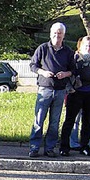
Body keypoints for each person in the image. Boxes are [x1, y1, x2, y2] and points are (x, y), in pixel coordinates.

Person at [28, 22, 75, 158]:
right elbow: (33, 65)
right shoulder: (42, 48)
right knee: (39, 119)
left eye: (60, 33)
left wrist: (65, 74)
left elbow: (73, 70)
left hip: (60, 90)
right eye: (55, 32)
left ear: (63, 35)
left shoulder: (68, 51)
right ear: (50, 33)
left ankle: (50, 148)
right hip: (45, 88)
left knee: (54, 122)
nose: (57, 35)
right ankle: (34, 147)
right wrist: (43, 72)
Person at [59, 35, 90, 156]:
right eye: (86, 45)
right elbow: (67, 75)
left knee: (87, 121)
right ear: (80, 45)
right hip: (76, 93)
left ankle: (85, 146)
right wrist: (70, 89)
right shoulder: (73, 58)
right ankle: (64, 147)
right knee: (70, 121)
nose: (88, 48)